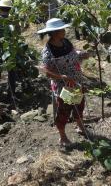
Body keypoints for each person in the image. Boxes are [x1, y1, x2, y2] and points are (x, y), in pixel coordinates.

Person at [39, 18, 90, 147]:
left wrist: (81, 54)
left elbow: (73, 52)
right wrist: (63, 77)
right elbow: (46, 72)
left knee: (79, 104)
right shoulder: (48, 51)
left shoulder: (66, 42)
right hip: (64, 86)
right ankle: (62, 137)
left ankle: (80, 127)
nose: (64, 31)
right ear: (55, 32)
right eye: (62, 29)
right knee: (64, 111)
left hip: (76, 81)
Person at [0, 0, 20, 101]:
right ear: (9, 9)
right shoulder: (14, 20)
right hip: (11, 48)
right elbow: (18, 34)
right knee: (11, 72)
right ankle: (12, 93)